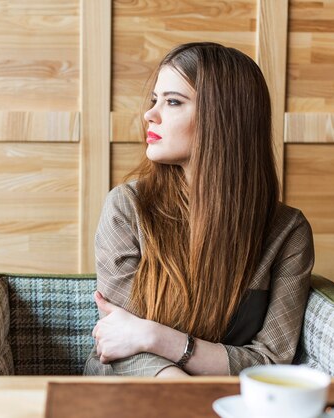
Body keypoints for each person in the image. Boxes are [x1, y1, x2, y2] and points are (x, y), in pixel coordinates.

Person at [83, 42, 314, 377]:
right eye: (154, 100)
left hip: (229, 401)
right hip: (128, 392)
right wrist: (183, 393)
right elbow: (120, 346)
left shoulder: (287, 231)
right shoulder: (127, 207)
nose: (150, 114)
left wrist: (157, 336)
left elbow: (271, 360)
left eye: (173, 102)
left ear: (223, 117)